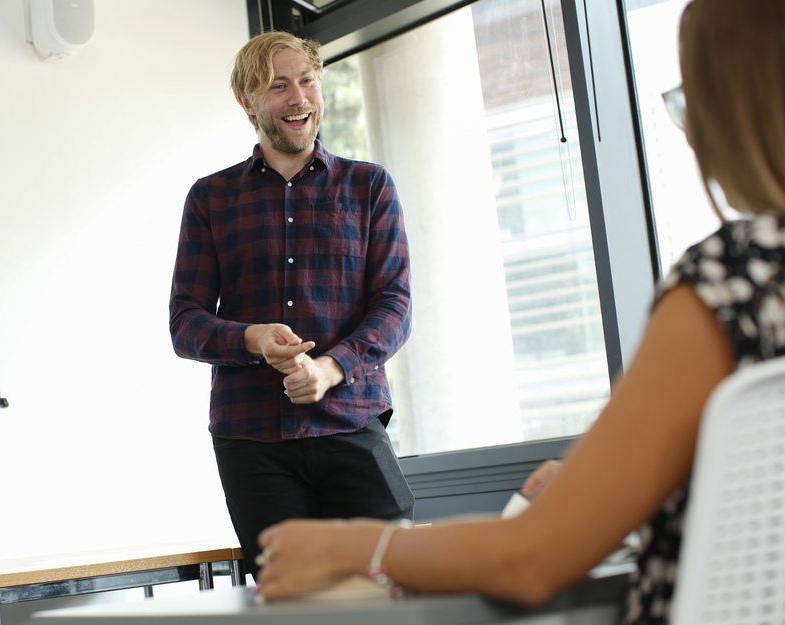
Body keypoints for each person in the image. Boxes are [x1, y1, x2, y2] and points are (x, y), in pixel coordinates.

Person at [254, 1, 785, 623]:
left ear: (737, 113)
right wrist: (613, 481)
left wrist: (352, 546)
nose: (691, 132)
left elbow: (529, 562)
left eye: (688, 104)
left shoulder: (732, 279)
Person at [168, 30, 415, 578]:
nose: (299, 98)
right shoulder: (209, 199)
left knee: (391, 592)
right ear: (248, 102)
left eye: (307, 80)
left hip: (351, 422)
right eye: (279, 86)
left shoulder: (369, 187)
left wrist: (331, 368)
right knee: (293, 603)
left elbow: (394, 306)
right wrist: (252, 339)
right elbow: (185, 323)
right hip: (252, 442)